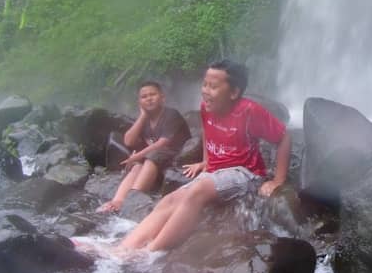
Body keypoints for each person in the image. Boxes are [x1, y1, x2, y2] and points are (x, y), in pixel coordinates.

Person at [117, 59, 290, 252]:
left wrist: (278, 180)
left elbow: (283, 137)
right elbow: (207, 131)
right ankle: (124, 248)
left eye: (213, 86)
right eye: (204, 84)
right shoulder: (206, 107)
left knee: (197, 190)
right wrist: (206, 161)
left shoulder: (249, 111)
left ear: (234, 92)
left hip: (245, 173)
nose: (205, 91)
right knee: (169, 200)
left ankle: (150, 252)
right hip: (215, 174)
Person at [98, 80, 191, 213]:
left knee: (148, 157)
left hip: (178, 157)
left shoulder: (171, 114)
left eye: (152, 94)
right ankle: (117, 201)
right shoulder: (145, 119)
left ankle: (132, 200)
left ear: (162, 98)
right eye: (144, 97)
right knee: (137, 165)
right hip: (158, 162)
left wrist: (137, 155)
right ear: (140, 102)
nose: (149, 99)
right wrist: (142, 116)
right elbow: (128, 141)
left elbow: (163, 143)